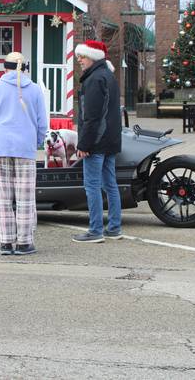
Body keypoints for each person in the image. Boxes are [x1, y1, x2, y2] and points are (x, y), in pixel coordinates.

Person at [0, 52, 49, 255]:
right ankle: (24, 243)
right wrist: (35, 142)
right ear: (25, 68)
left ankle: (6, 242)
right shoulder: (35, 90)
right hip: (24, 147)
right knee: (25, 198)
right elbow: (42, 123)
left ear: (5, 68)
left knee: (2, 197)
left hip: (1, 145)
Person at [71, 40, 123, 244]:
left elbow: (91, 117)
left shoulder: (94, 80)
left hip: (96, 142)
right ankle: (115, 228)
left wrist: (84, 144)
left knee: (91, 185)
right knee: (110, 184)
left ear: (92, 56)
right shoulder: (108, 76)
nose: (79, 61)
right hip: (110, 140)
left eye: (82, 57)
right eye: (78, 57)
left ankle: (95, 230)